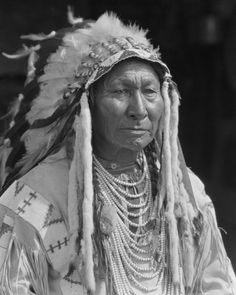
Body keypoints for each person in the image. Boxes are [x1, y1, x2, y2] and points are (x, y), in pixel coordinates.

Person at [0, 11, 235, 295]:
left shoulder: (185, 194)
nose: (139, 109)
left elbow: (217, 283)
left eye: (150, 91)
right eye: (121, 92)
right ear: (87, 107)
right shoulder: (35, 197)